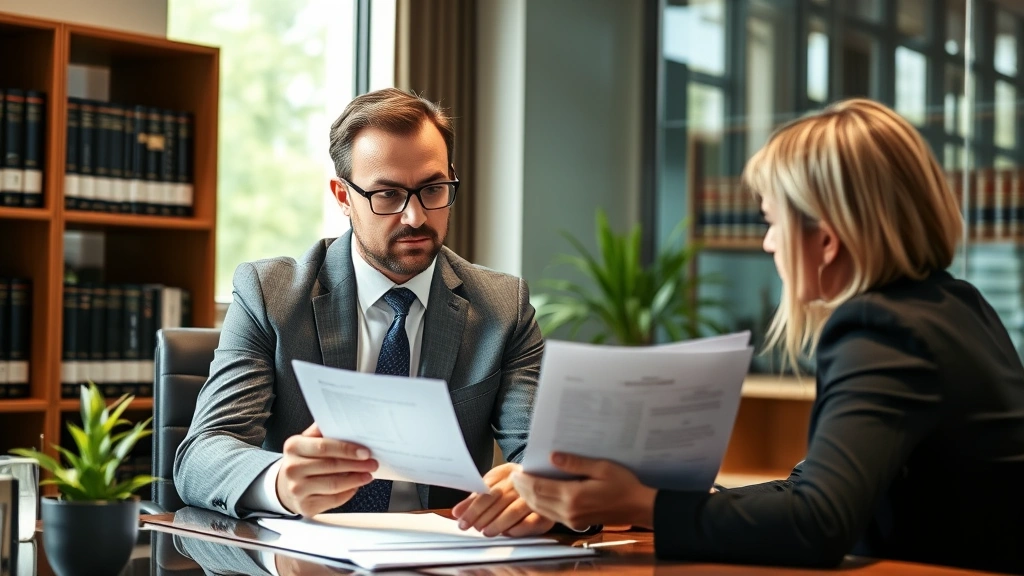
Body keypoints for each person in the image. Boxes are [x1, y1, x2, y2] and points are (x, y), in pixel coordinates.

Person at [510, 98, 1024, 573]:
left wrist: (642, 504)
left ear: (825, 240)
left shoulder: (881, 330)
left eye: (772, 221)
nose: (767, 243)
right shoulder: (957, 306)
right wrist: (664, 499)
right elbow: (814, 489)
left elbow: (818, 522)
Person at [175, 88, 553, 537]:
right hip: (305, 557)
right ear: (342, 196)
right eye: (388, 195)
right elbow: (202, 452)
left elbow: (538, 454)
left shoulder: (502, 307)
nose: (415, 216)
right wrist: (279, 482)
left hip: (441, 557)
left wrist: (536, 489)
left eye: (433, 189)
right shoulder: (270, 295)